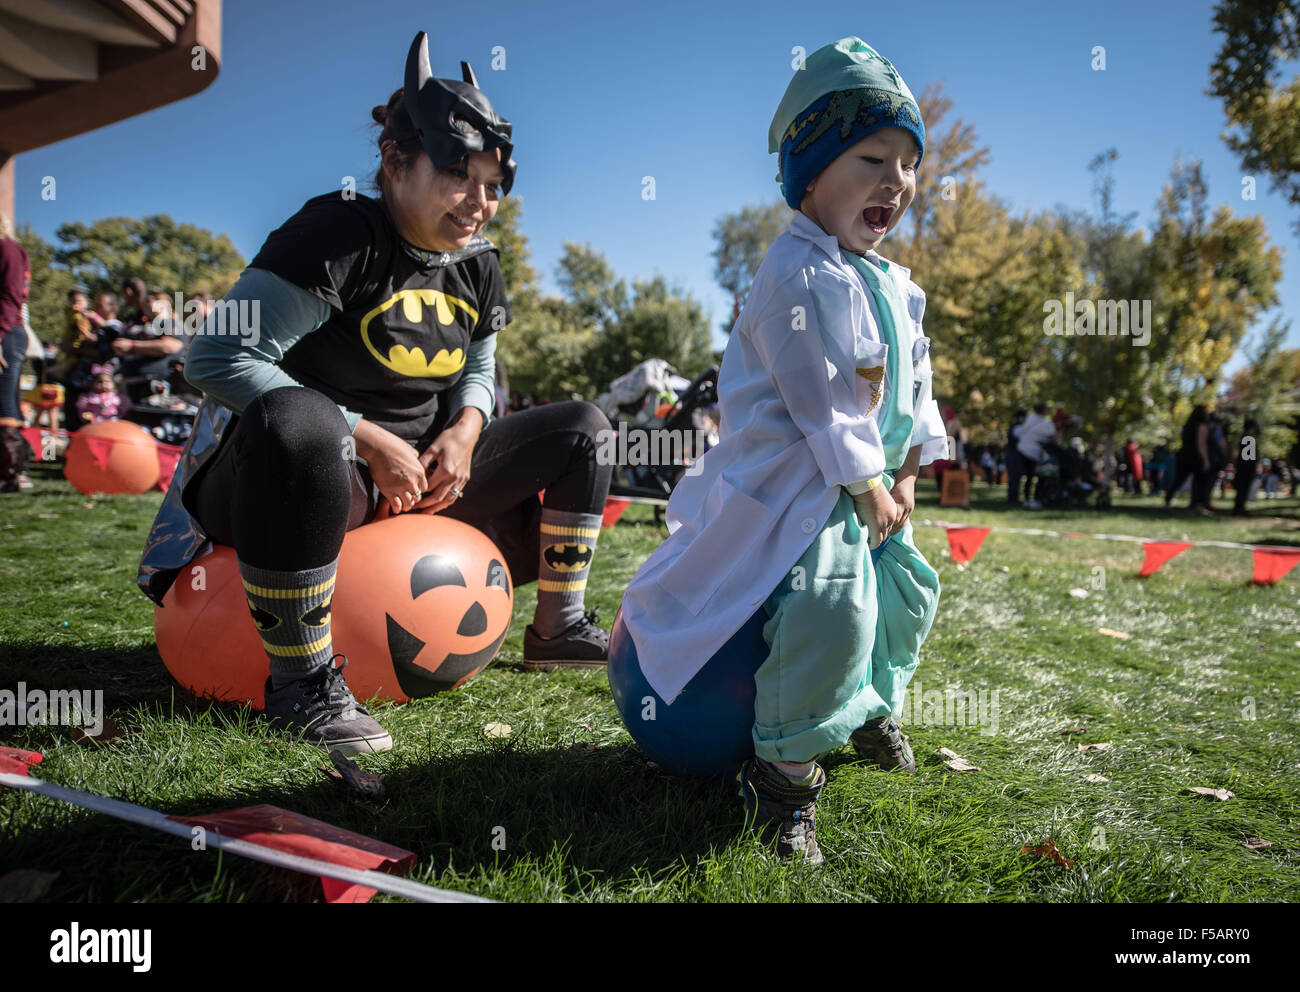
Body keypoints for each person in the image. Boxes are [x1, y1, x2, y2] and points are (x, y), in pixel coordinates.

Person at [137, 31, 613, 755]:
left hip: (419, 476)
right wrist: (364, 435)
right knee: (300, 422)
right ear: (394, 161)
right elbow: (217, 357)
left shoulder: (476, 262)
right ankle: (302, 683)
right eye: (459, 175)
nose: (479, 203)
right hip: (304, 477)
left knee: (585, 425)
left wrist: (466, 429)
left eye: (493, 185)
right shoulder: (338, 231)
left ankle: (559, 627)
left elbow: (478, 369)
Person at [621, 38, 946, 865]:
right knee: (830, 612)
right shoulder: (796, 272)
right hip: (800, 493)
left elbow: (916, 387)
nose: (895, 180)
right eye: (871, 156)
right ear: (811, 168)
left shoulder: (896, 284)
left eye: (908, 163)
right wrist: (867, 477)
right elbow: (820, 392)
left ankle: (867, 706)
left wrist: (907, 468)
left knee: (902, 599)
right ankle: (783, 781)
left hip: (873, 492)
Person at [0, 208, 32, 492]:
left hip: (6, 333)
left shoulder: (7, 248)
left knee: (5, 401)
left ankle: (12, 472)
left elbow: (10, 297)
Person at [1164, 404, 1211, 515]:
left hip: (1183, 456)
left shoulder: (1187, 425)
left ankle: (1167, 501)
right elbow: (1201, 444)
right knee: (1200, 482)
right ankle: (1199, 506)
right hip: (1195, 457)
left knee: (1178, 479)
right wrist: (1206, 460)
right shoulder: (1202, 426)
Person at [1016, 402, 1057, 509]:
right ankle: (1035, 499)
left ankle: (1026, 499)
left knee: (1028, 477)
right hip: (1033, 453)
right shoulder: (1046, 423)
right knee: (1038, 476)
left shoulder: (1030, 418)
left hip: (1022, 449)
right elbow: (1054, 437)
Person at [1006, 409, 1026, 504]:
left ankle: (1013, 497)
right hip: (1014, 455)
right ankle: (1013, 498)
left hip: (1012, 454)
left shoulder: (1014, 427)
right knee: (1015, 477)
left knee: (1015, 477)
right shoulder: (1018, 428)